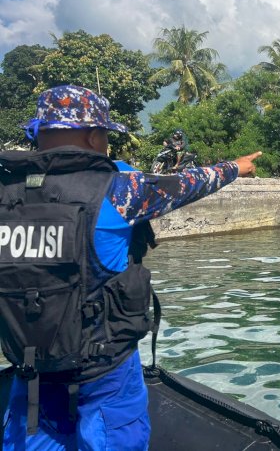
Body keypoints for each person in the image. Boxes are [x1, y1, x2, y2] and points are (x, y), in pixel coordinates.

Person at [0, 85, 262, 450]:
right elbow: (191, 183)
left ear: (36, 133)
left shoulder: (4, 190)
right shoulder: (120, 187)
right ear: (94, 136)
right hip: (102, 370)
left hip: (30, 369)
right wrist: (236, 166)